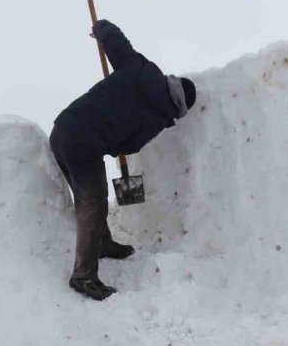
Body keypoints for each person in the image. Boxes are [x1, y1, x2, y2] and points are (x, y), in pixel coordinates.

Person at [50, 19, 196, 301]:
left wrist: (102, 29)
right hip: (84, 142)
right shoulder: (157, 120)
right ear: (180, 109)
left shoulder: (141, 69)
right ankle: (84, 277)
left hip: (63, 128)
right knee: (90, 202)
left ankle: (102, 243)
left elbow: (117, 45)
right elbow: (126, 146)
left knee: (92, 197)